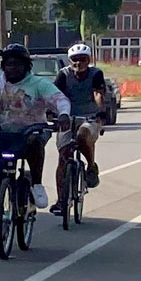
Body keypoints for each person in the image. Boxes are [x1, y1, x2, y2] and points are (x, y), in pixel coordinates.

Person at [0, 43, 71, 238]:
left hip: (33, 130)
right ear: (3, 66)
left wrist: (64, 115)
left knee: (34, 141)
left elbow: (60, 100)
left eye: (18, 64)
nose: (13, 68)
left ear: (26, 66)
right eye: (9, 64)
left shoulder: (39, 84)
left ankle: (36, 184)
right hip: (5, 133)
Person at [50, 42, 106, 214]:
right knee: (63, 157)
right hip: (67, 117)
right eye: (75, 60)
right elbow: (54, 95)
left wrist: (101, 111)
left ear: (88, 60)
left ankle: (91, 166)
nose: (78, 63)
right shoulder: (63, 74)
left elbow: (98, 93)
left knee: (83, 135)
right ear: (69, 60)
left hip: (90, 116)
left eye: (82, 59)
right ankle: (61, 200)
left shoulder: (96, 73)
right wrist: (50, 112)